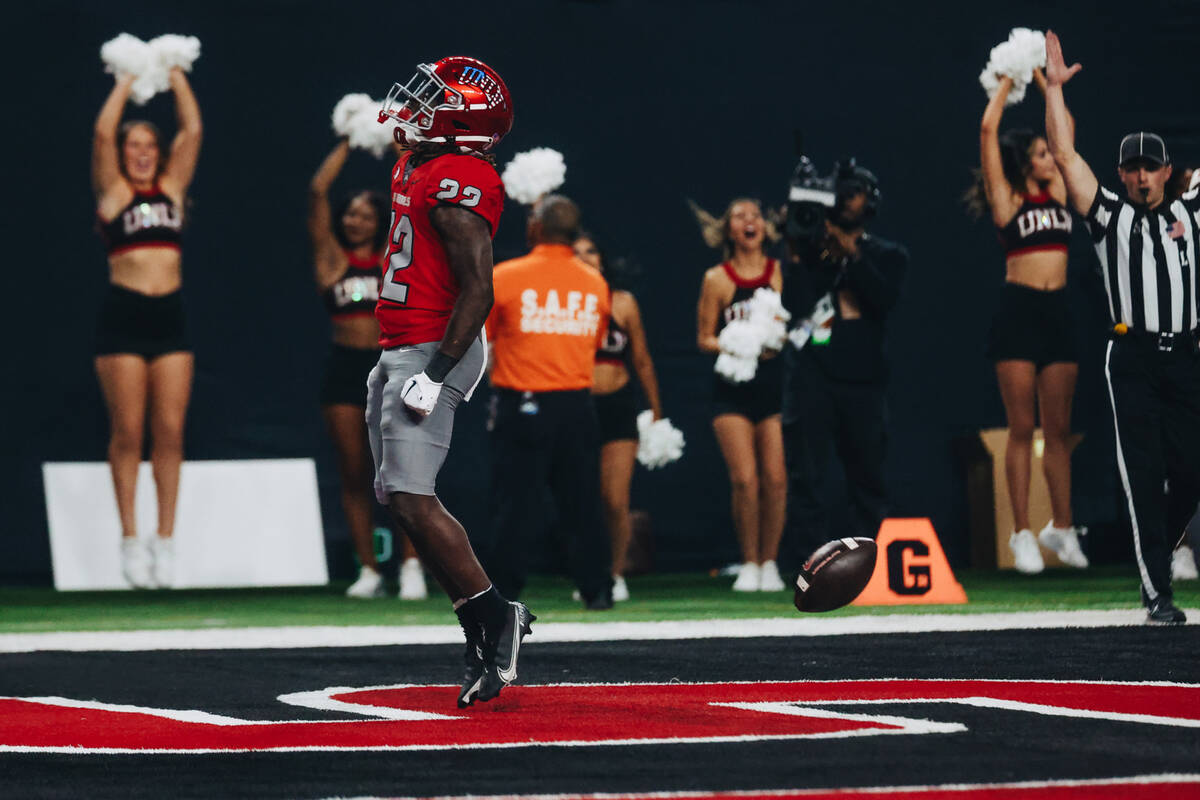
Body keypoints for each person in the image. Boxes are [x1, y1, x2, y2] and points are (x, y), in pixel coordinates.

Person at [368, 56, 532, 706]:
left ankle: (496, 617)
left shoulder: (460, 178)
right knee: (397, 497)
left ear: (463, 126)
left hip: (435, 346)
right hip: (401, 342)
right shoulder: (421, 164)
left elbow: (479, 289)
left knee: (411, 496)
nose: (415, 106)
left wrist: (435, 376)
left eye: (433, 99)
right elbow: (409, 149)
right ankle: (477, 625)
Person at [1043, 31, 1200, 624]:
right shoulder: (1110, 218)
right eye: (1131, 168)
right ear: (1120, 172)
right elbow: (1064, 157)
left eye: (1149, 168)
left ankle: (1161, 552)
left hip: (1186, 355)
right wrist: (1055, 93)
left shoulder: (1192, 211)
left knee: (1190, 469)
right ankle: (1157, 590)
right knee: (1143, 473)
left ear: (1167, 171)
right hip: (1133, 358)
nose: (1139, 178)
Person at [966, 67, 1087, 574]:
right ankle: (1020, 533)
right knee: (1022, 428)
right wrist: (1006, 85)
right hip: (1018, 311)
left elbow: (1068, 135)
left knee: (1057, 431)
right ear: (1023, 163)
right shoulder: (1008, 200)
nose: (1048, 157)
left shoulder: (1059, 193)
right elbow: (988, 131)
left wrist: (1048, 85)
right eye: (1038, 153)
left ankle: (1061, 528)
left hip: (1057, 311)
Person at [93, 68, 201, 589]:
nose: (140, 152)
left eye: (148, 144)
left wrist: (176, 72)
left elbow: (194, 132)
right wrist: (128, 77)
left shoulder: (173, 188)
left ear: (158, 151)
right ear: (122, 151)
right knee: (128, 433)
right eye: (131, 144)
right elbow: (100, 134)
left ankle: (167, 541)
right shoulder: (115, 192)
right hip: (124, 315)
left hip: (170, 317)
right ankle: (130, 540)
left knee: (171, 433)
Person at [307, 138, 426, 600]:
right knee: (355, 472)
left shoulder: (390, 260)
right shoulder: (332, 260)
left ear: (380, 222)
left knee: (400, 470)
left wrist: (401, 157)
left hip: (391, 365)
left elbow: (408, 207)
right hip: (343, 371)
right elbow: (318, 193)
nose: (356, 219)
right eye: (350, 213)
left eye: (365, 214)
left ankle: (412, 565)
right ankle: (371, 570)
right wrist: (347, 141)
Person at [486, 196, 614, 608]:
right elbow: (594, 342)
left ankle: (502, 595)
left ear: (536, 228)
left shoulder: (506, 276)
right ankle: (597, 591)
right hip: (577, 405)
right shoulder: (595, 282)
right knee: (582, 504)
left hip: (522, 403)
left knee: (515, 505)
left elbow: (481, 339)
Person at [779, 161, 907, 571]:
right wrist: (799, 254)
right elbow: (794, 306)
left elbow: (883, 300)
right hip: (814, 375)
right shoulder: (811, 254)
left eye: (854, 193)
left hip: (864, 378)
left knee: (868, 477)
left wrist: (849, 251)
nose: (847, 200)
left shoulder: (888, 255)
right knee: (807, 478)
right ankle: (809, 567)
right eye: (841, 192)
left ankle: (864, 568)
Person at [694, 199, 788, 592]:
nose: (749, 222)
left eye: (755, 216)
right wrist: (737, 344)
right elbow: (704, 338)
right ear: (728, 229)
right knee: (746, 480)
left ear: (764, 227)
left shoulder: (779, 271)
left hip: (772, 389)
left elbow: (785, 324)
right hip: (731, 391)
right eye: (739, 216)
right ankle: (749, 562)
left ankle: (770, 564)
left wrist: (771, 340)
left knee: (777, 479)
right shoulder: (717, 278)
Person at [574, 233, 665, 602]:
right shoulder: (564, 305)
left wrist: (657, 411)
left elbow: (641, 358)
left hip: (619, 405)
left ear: (602, 258)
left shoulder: (623, 302)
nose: (584, 257)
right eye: (575, 252)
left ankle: (614, 573)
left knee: (615, 499)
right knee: (582, 499)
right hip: (577, 405)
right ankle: (586, 572)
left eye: (591, 250)